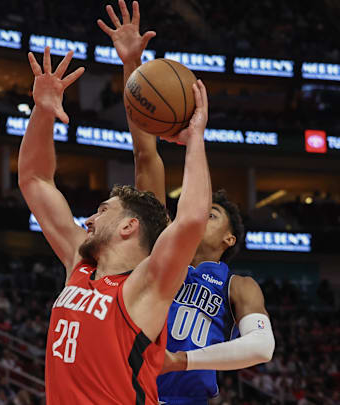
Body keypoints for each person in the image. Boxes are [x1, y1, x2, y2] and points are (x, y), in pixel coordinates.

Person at [98, 1, 276, 404]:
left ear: (230, 238)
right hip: (125, 394)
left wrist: (179, 361)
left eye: (211, 214)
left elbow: (261, 348)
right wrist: (134, 68)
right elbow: (146, 156)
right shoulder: (157, 251)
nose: (196, 214)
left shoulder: (237, 286)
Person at [18, 42, 211, 403]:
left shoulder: (146, 285)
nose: (88, 219)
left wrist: (195, 139)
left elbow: (191, 220)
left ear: (129, 227)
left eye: (103, 210)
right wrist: (42, 111)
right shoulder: (80, 264)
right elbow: (34, 180)